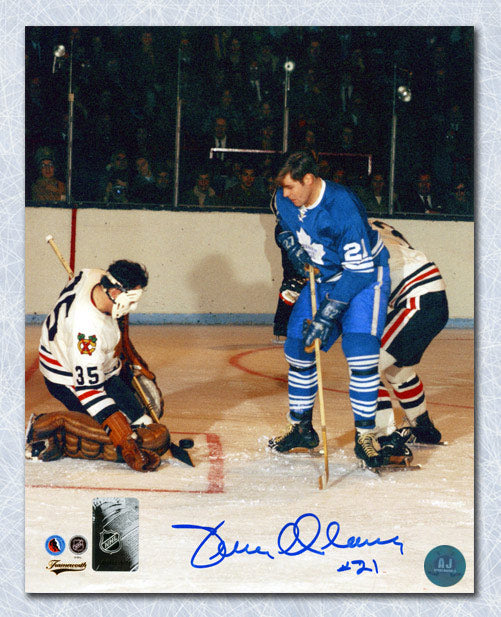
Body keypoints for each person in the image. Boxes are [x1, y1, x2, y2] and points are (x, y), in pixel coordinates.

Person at [268, 150, 391, 469]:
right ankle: (301, 429)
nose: (285, 194)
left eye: (290, 186)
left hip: (364, 278)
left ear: (308, 179)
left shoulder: (342, 207)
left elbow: (359, 271)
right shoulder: (283, 198)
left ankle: (366, 436)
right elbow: (283, 225)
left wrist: (327, 314)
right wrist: (289, 244)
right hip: (322, 276)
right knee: (298, 348)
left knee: (361, 352)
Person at [27, 260, 168, 472]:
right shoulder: (87, 332)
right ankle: (43, 429)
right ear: (114, 292)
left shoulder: (95, 275)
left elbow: (116, 323)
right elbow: (89, 391)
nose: (133, 307)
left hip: (100, 367)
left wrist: (130, 359)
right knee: (113, 440)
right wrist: (125, 440)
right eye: (130, 301)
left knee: (144, 422)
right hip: (66, 377)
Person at [369, 220, 447, 457]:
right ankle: (422, 427)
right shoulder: (375, 224)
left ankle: (388, 438)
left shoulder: (349, 231)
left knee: (366, 367)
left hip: (416, 301)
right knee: (398, 371)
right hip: (432, 299)